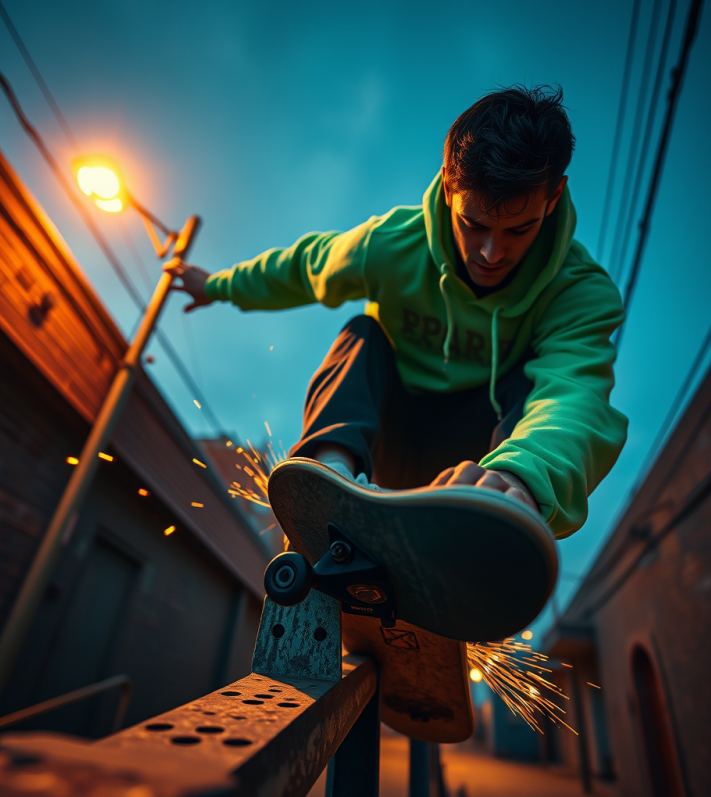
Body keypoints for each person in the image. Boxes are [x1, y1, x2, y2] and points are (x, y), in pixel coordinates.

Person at [168, 85, 628, 539]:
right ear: (450, 187)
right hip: (387, 430)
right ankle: (332, 474)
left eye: (518, 230)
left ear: (554, 197)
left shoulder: (578, 291)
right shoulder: (391, 245)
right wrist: (216, 285)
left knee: (530, 378)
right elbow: (303, 267)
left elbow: (574, 395)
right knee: (363, 333)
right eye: (475, 225)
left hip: (477, 459)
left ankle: (502, 503)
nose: (491, 252)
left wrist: (525, 478)